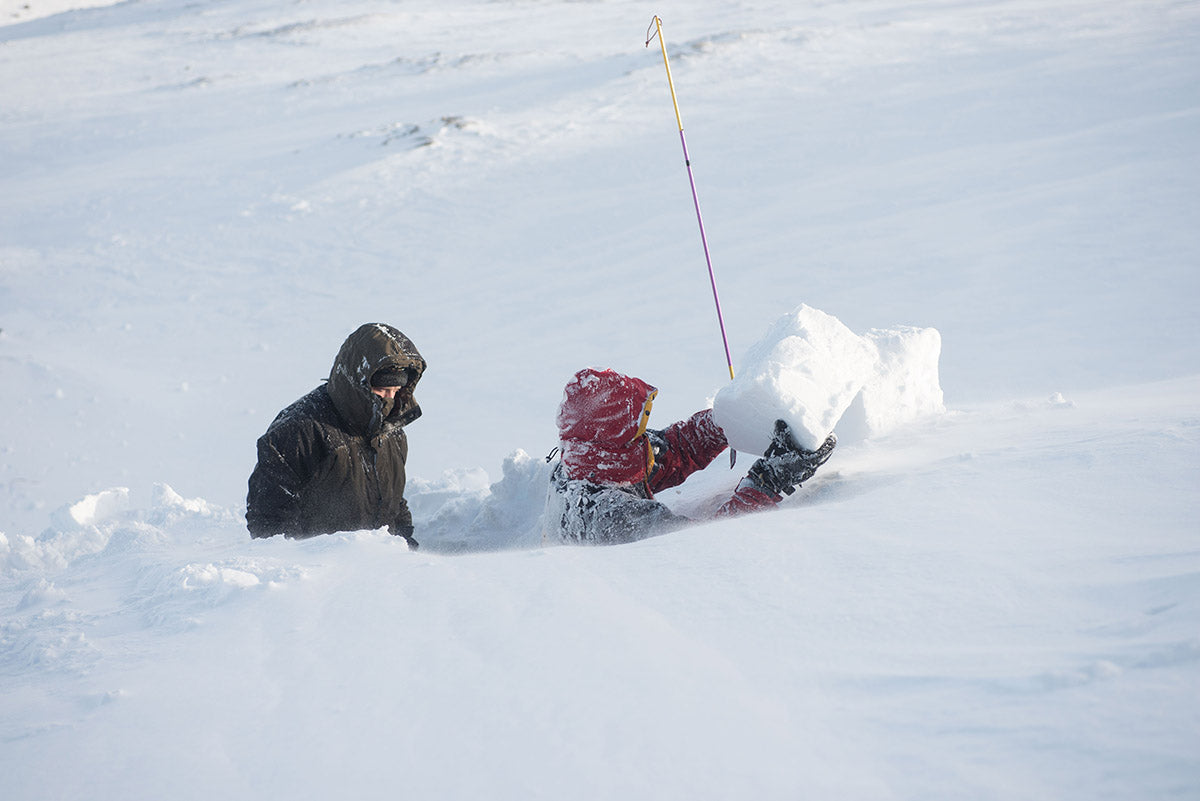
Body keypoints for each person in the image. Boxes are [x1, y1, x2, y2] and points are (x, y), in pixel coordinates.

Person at [549, 367, 836, 544]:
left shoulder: (591, 459)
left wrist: (728, 419)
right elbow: (703, 543)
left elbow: (676, 449)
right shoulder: (611, 516)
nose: (644, 436)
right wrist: (768, 482)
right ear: (614, 439)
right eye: (636, 428)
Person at [246, 323, 426, 548]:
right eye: (381, 390)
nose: (389, 400)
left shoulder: (392, 431)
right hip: (322, 574)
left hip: (382, 573)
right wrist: (303, 568)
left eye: (396, 391)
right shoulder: (301, 430)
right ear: (357, 381)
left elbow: (395, 504)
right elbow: (267, 520)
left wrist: (406, 547)